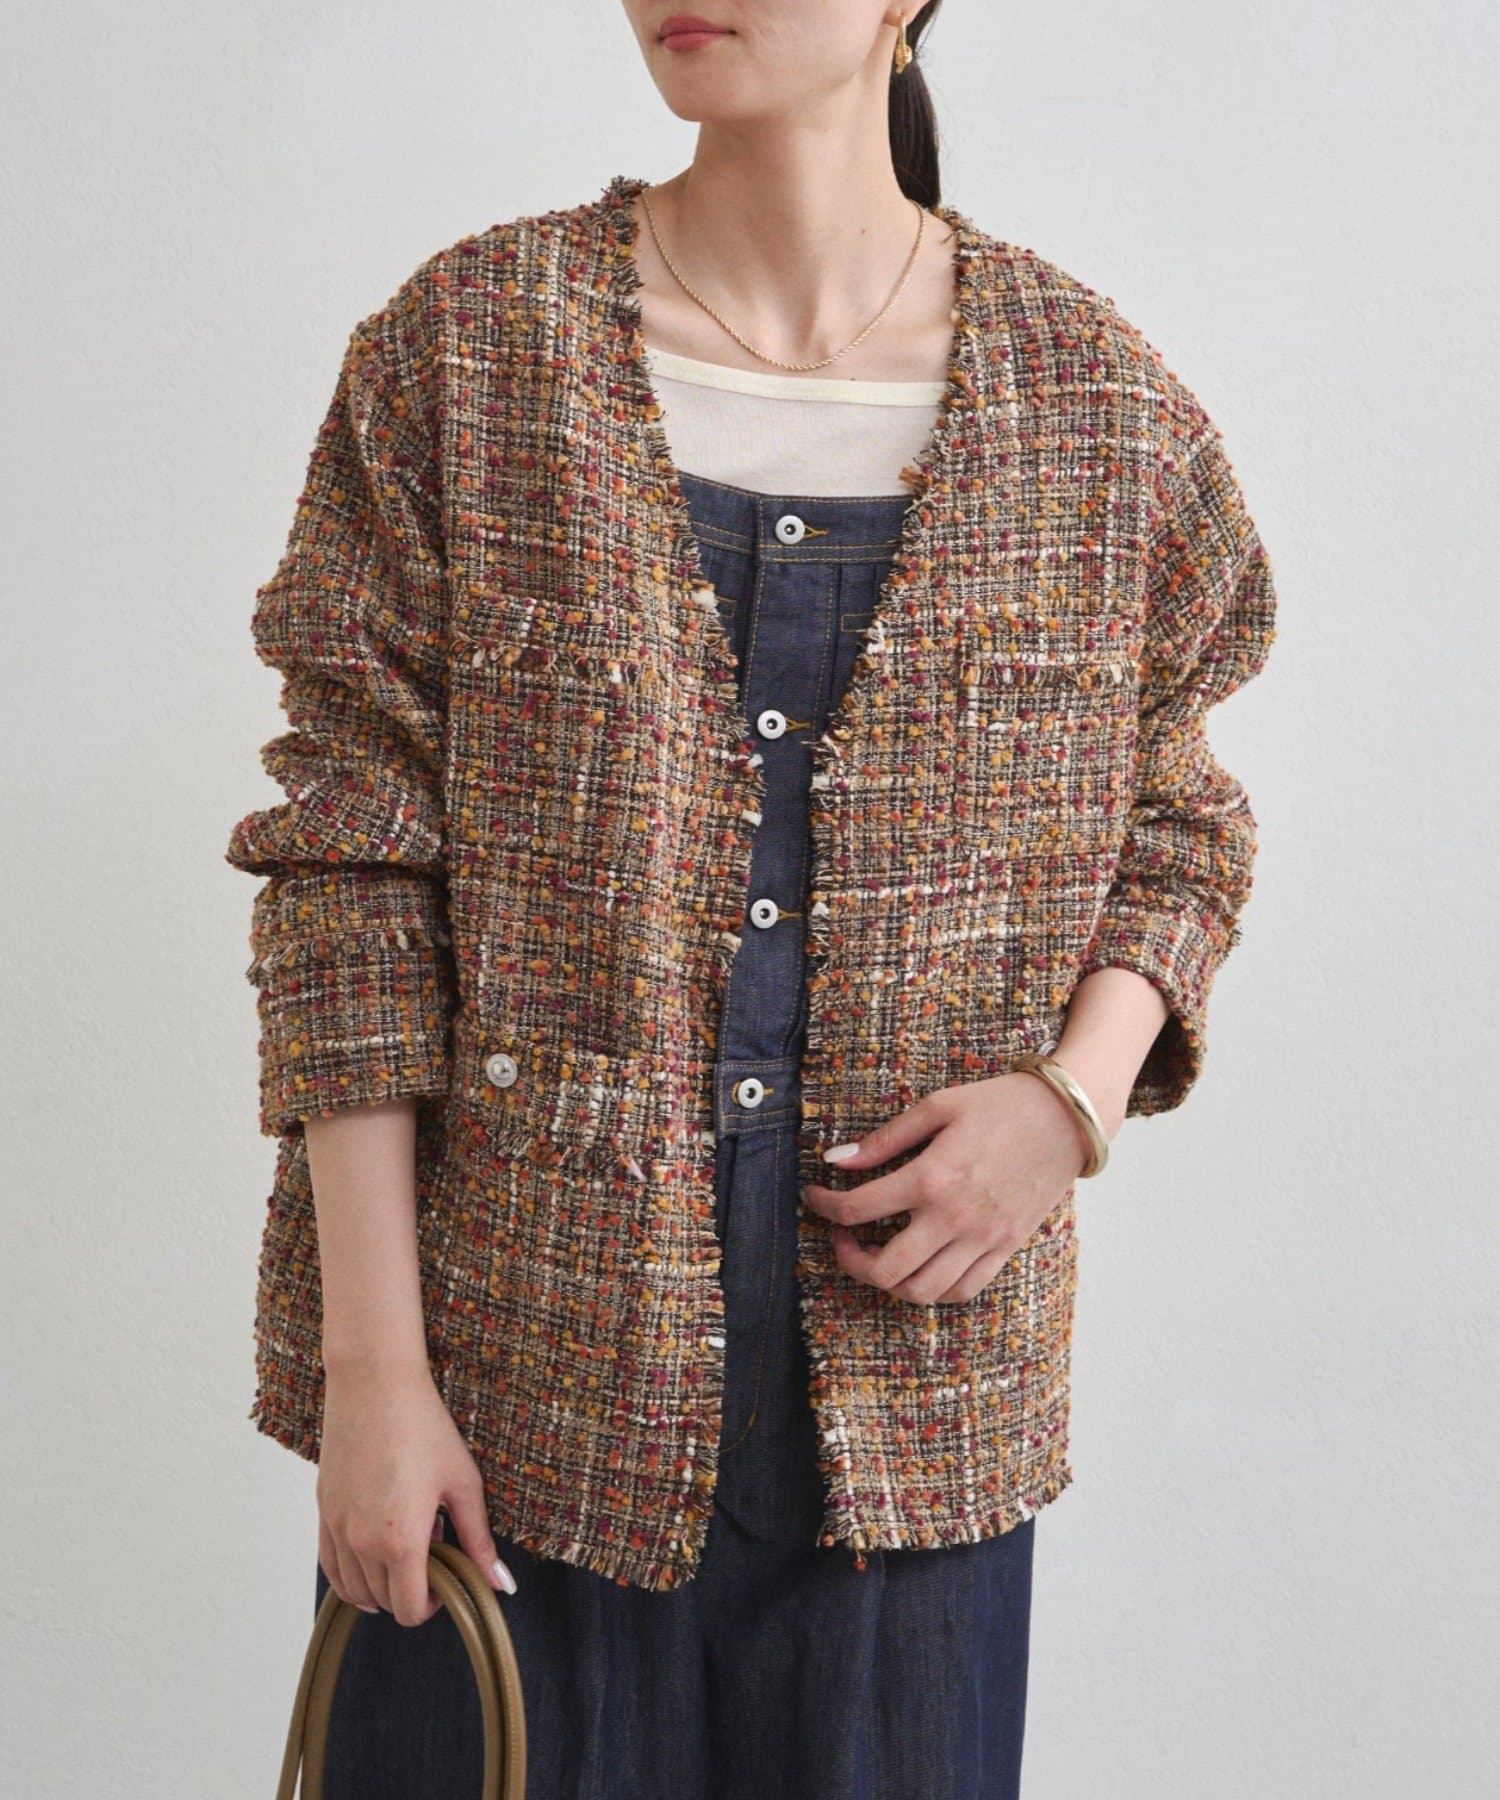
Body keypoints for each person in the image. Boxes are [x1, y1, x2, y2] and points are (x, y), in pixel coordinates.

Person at [225, 5, 1278, 1795]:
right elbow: (349, 873)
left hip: (916, 1424)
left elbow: (1179, 825)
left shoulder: (1101, 411)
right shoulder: (471, 353)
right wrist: (371, 1375)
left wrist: (1070, 1103)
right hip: (508, 1405)